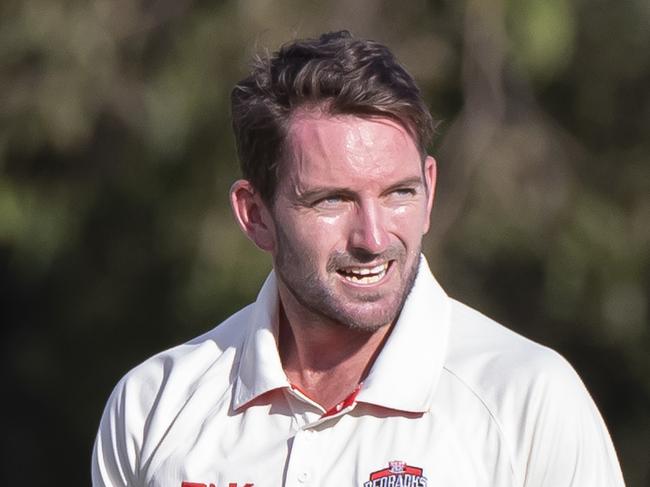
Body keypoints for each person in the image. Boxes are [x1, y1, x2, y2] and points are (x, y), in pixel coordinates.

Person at [92, 31, 625, 487]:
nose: (373, 237)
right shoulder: (152, 405)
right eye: (333, 200)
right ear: (255, 215)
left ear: (431, 191)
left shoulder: (529, 399)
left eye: (399, 193)